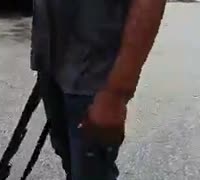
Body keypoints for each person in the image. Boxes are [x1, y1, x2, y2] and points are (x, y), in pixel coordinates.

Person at [30, 0, 167, 179]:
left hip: (95, 76)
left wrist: (116, 93)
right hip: (54, 65)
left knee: (91, 171)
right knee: (72, 164)